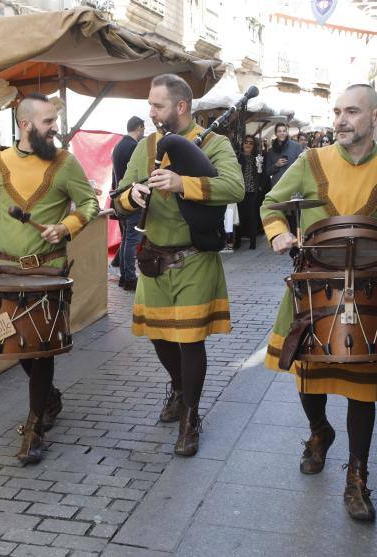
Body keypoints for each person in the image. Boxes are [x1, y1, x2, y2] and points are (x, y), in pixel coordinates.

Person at [261, 84, 377, 521]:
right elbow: (271, 203)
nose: (340, 120)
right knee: (307, 377)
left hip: (368, 295)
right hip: (312, 292)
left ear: (375, 117)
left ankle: (357, 477)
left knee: (362, 392)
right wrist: (279, 232)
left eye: (351, 111)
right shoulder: (310, 160)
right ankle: (319, 431)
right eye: (336, 111)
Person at [0, 93, 99, 464]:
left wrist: (66, 227)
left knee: (40, 349)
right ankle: (49, 398)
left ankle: (35, 427)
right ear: (25, 125)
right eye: (48, 122)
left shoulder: (65, 163)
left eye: (55, 121)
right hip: (7, 269)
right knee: (19, 345)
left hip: (49, 270)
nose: (56, 128)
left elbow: (90, 203)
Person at [113, 74, 243, 456]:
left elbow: (235, 188)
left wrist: (182, 183)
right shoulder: (146, 145)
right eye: (150, 105)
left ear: (181, 106)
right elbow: (119, 195)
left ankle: (191, 415)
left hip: (194, 258)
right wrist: (131, 196)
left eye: (157, 106)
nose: (150, 112)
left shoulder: (216, 144)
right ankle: (180, 386)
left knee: (189, 341)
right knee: (159, 336)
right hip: (154, 256)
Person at [112, 116, 146, 290]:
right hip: (132, 198)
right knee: (132, 240)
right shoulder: (134, 147)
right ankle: (130, 278)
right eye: (143, 129)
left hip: (121, 199)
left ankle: (125, 277)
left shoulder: (118, 145)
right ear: (139, 128)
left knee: (126, 238)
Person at [236, 134, 264, 249]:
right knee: (239, 217)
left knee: (252, 217)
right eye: (246, 142)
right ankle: (237, 242)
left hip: (252, 192)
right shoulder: (237, 158)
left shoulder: (257, 158)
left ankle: (253, 243)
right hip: (240, 191)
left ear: (254, 146)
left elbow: (261, 174)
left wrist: (260, 167)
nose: (248, 144)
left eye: (251, 143)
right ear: (242, 145)